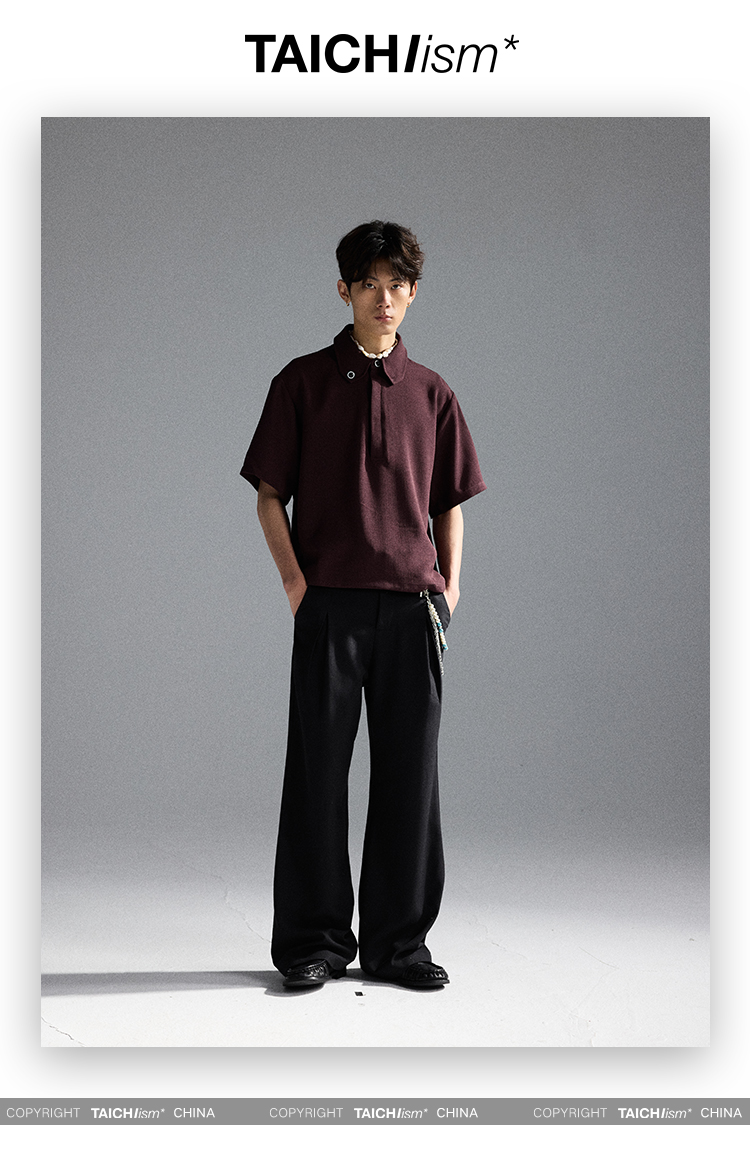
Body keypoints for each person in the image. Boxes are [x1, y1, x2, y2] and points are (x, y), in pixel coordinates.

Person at [240, 221, 486, 989]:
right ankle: (313, 944)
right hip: (330, 609)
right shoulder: (302, 383)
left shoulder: (432, 392)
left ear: (413, 294)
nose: (385, 299)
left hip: (413, 610)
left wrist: (449, 590)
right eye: (370, 285)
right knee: (316, 776)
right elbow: (269, 496)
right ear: (343, 290)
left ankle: (398, 946)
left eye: (398, 286)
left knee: (411, 781)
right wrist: (296, 586)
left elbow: (450, 503)